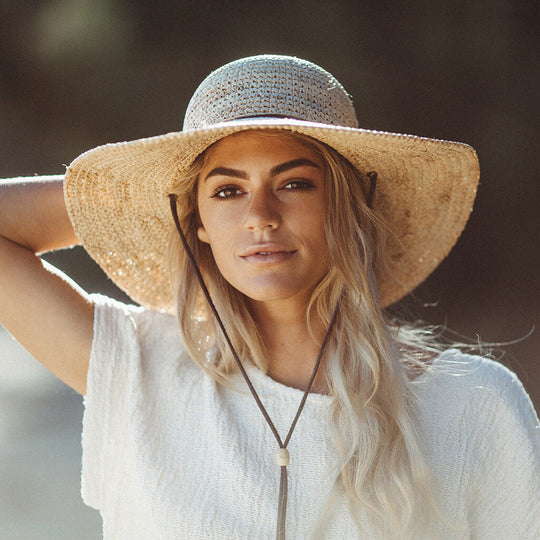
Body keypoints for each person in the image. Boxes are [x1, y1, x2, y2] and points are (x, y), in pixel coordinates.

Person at [0, 54, 538, 539]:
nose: (259, 216)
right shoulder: (141, 370)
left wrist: (205, 201)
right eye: (228, 191)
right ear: (198, 222)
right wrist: (137, 201)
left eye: (294, 183)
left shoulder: (474, 405)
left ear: (344, 204)